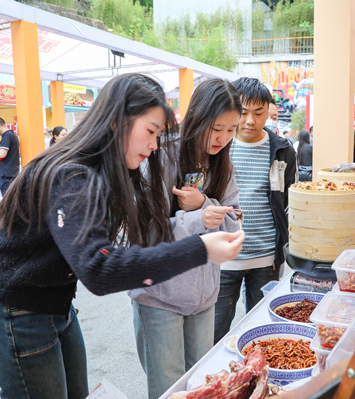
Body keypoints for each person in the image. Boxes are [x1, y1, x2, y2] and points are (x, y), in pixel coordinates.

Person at [0, 73, 245, 399]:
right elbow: (99, 269)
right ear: (117, 122)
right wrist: (199, 247)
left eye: (159, 134)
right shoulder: (72, 173)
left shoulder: (112, 170)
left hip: (56, 305)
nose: (155, 145)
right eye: (150, 131)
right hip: (15, 312)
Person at [129, 78, 241, 398]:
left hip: (203, 297)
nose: (223, 138)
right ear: (198, 118)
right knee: (170, 388)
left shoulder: (222, 165)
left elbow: (232, 227)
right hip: (160, 296)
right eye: (217, 128)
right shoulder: (160, 156)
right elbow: (145, 234)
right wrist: (196, 219)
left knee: (204, 382)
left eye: (231, 130)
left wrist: (206, 204)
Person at [214, 77, 297, 343]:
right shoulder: (218, 146)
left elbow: (287, 198)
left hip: (266, 257)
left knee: (262, 332)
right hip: (223, 257)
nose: (250, 120)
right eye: (243, 112)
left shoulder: (282, 150)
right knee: (215, 332)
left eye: (258, 113)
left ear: (268, 112)